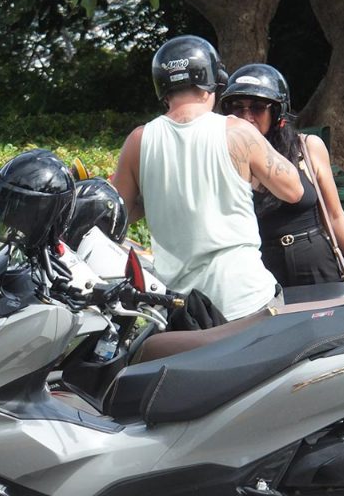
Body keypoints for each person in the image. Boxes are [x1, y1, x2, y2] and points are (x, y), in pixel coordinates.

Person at [113, 36, 304, 322]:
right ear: (211, 84)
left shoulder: (139, 141)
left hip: (183, 309)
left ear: (162, 88)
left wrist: (158, 195)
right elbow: (294, 190)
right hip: (246, 299)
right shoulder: (237, 132)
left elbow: (119, 216)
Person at [219, 63, 344, 287]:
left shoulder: (307, 148)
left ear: (277, 113)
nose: (246, 116)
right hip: (259, 271)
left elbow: (334, 215)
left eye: (258, 107)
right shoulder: (223, 157)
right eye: (237, 107)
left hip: (316, 263)